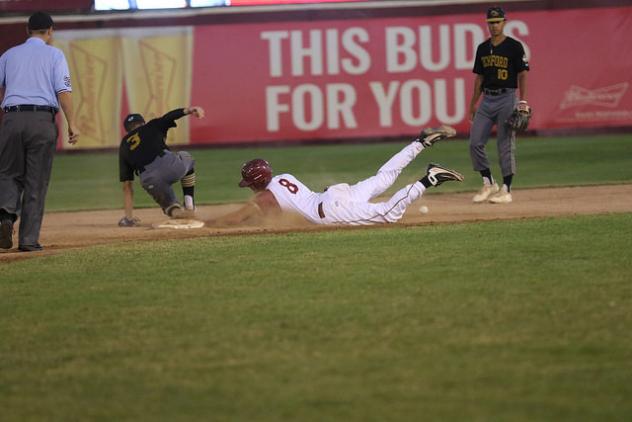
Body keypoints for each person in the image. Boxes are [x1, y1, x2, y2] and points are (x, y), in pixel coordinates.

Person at [210, 126, 463, 227]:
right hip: (336, 194)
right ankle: (419, 143)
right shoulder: (283, 177)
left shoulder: (265, 197)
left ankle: (430, 178)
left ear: (255, 182)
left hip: (331, 209)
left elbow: (237, 217)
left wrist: (209, 224)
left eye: (248, 183)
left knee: (388, 213)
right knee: (383, 179)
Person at [0, 11, 80, 252]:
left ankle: (5, 216)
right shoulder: (55, 54)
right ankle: (28, 240)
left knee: (7, 173)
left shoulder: (9, 55)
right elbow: (63, 91)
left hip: (12, 118)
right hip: (41, 120)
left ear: (28, 31)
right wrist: (72, 123)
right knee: (36, 181)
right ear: (50, 31)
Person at [468, 6, 530, 204]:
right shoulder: (482, 48)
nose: (494, 26)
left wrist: (522, 100)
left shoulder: (514, 46)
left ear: (504, 22)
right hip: (487, 99)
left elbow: (522, 74)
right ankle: (489, 183)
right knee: (475, 142)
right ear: (487, 24)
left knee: (505, 144)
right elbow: (479, 78)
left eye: (498, 22)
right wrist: (472, 104)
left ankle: (506, 189)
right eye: (491, 23)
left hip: (507, 98)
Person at [118, 106, 205, 226]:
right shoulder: (151, 125)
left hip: (149, 180)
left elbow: (127, 186)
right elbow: (169, 116)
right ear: (143, 123)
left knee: (172, 208)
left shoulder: (124, 145)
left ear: (127, 131)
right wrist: (189, 110)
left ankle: (177, 212)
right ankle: (189, 206)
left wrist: (128, 217)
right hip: (170, 166)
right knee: (186, 157)